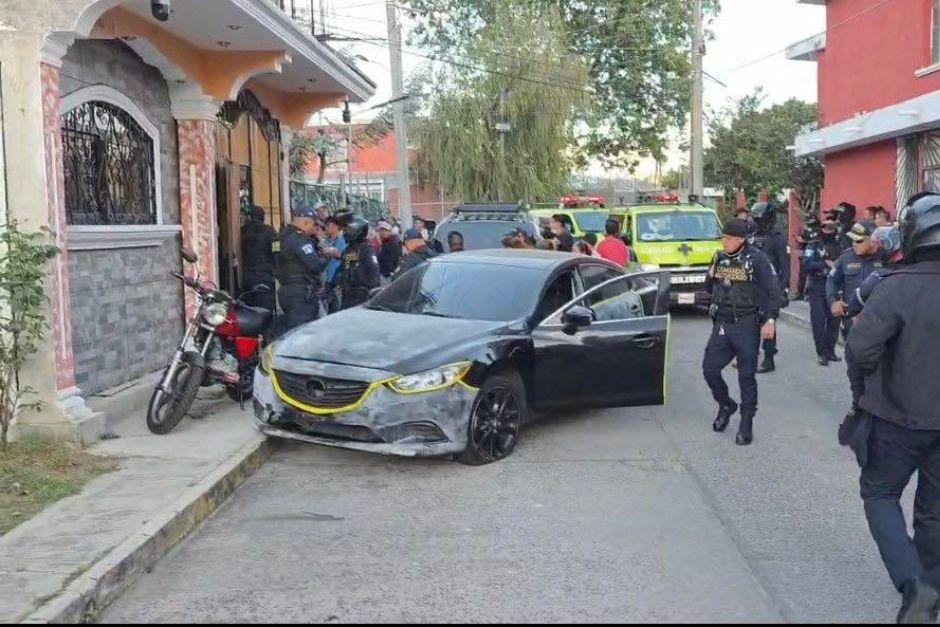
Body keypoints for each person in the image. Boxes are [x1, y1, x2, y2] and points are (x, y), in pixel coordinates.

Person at [843, 192, 940, 624]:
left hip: (897, 419)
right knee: (935, 511)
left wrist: (863, 392)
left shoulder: (895, 287)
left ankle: (915, 587)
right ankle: (929, 594)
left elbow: (860, 350)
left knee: (879, 494)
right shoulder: (894, 285)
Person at [702, 218, 781, 446]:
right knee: (709, 369)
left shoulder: (758, 259)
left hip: (746, 324)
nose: (724, 242)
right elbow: (709, 287)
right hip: (722, 323)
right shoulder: (719, 257)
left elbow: (773, 291)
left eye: (728, 239)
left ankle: (746, 422)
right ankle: (726, 404)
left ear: (740, 240)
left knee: (746, 376)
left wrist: (770, 320)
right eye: (723, 238)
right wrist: (712, 276)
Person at [827, 220, 885, 341]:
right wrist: (833, 301)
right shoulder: (846, 257)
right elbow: (832, 281)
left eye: (859, 241)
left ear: (873, 240)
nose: (854, 244)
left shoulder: (886, 258)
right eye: (853, 240)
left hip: (879, 321)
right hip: (851, 321)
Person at [749, 202, 789, 373]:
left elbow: (784, 267)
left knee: (768, 322)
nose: (759, 223)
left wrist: (782, 289)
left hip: (770, 287)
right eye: (756, 220)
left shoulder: (778, 238)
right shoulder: (751, 236)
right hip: (752, 286)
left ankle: (768, 359)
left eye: (762, 220)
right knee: (750, 324)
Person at [275, 204, 327, 333]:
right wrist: (326, 255)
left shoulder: (278, 238)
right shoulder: (300, 239)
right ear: (305, 223)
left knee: (292, 331)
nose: (314, 229)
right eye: (313, 225)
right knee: (302, 334)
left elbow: (274, 261)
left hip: (285, 290)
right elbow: (315, 265)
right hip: (301, 294)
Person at [802, 216, 843, 366]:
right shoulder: (814, 244)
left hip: (835, 285)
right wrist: (824, 264)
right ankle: (822, 353)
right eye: (827, 226)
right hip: (818, 284)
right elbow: (807, 265)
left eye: (833, 227)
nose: (830, 229)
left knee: (834, 320)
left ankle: (830, 351)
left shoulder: (840, 243)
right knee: (818, 321)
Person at [338, 217, 381, 309]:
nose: (346, 233)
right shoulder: (347, 250)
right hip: (347, 295)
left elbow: (375, 275)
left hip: (361, 296)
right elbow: (342, 269)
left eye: (350, 230)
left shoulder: (367, 250)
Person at [240, 205, 276, 312]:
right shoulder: (270, 231)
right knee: (265, 307)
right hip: (265, 274)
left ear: (249, 217)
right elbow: (276, 250)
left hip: (247, 274)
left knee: (249, 306)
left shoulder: (242, 231)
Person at [320, 216, 347, 314]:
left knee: (337, 307)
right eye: (325, 226)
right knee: (328, 306)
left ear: (336, 227)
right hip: (326, 278)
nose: (326, 228)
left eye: (329, 225)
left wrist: (331, 251)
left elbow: (345, 256)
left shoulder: (343, 239)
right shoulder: (326, 241)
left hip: (337, 278)